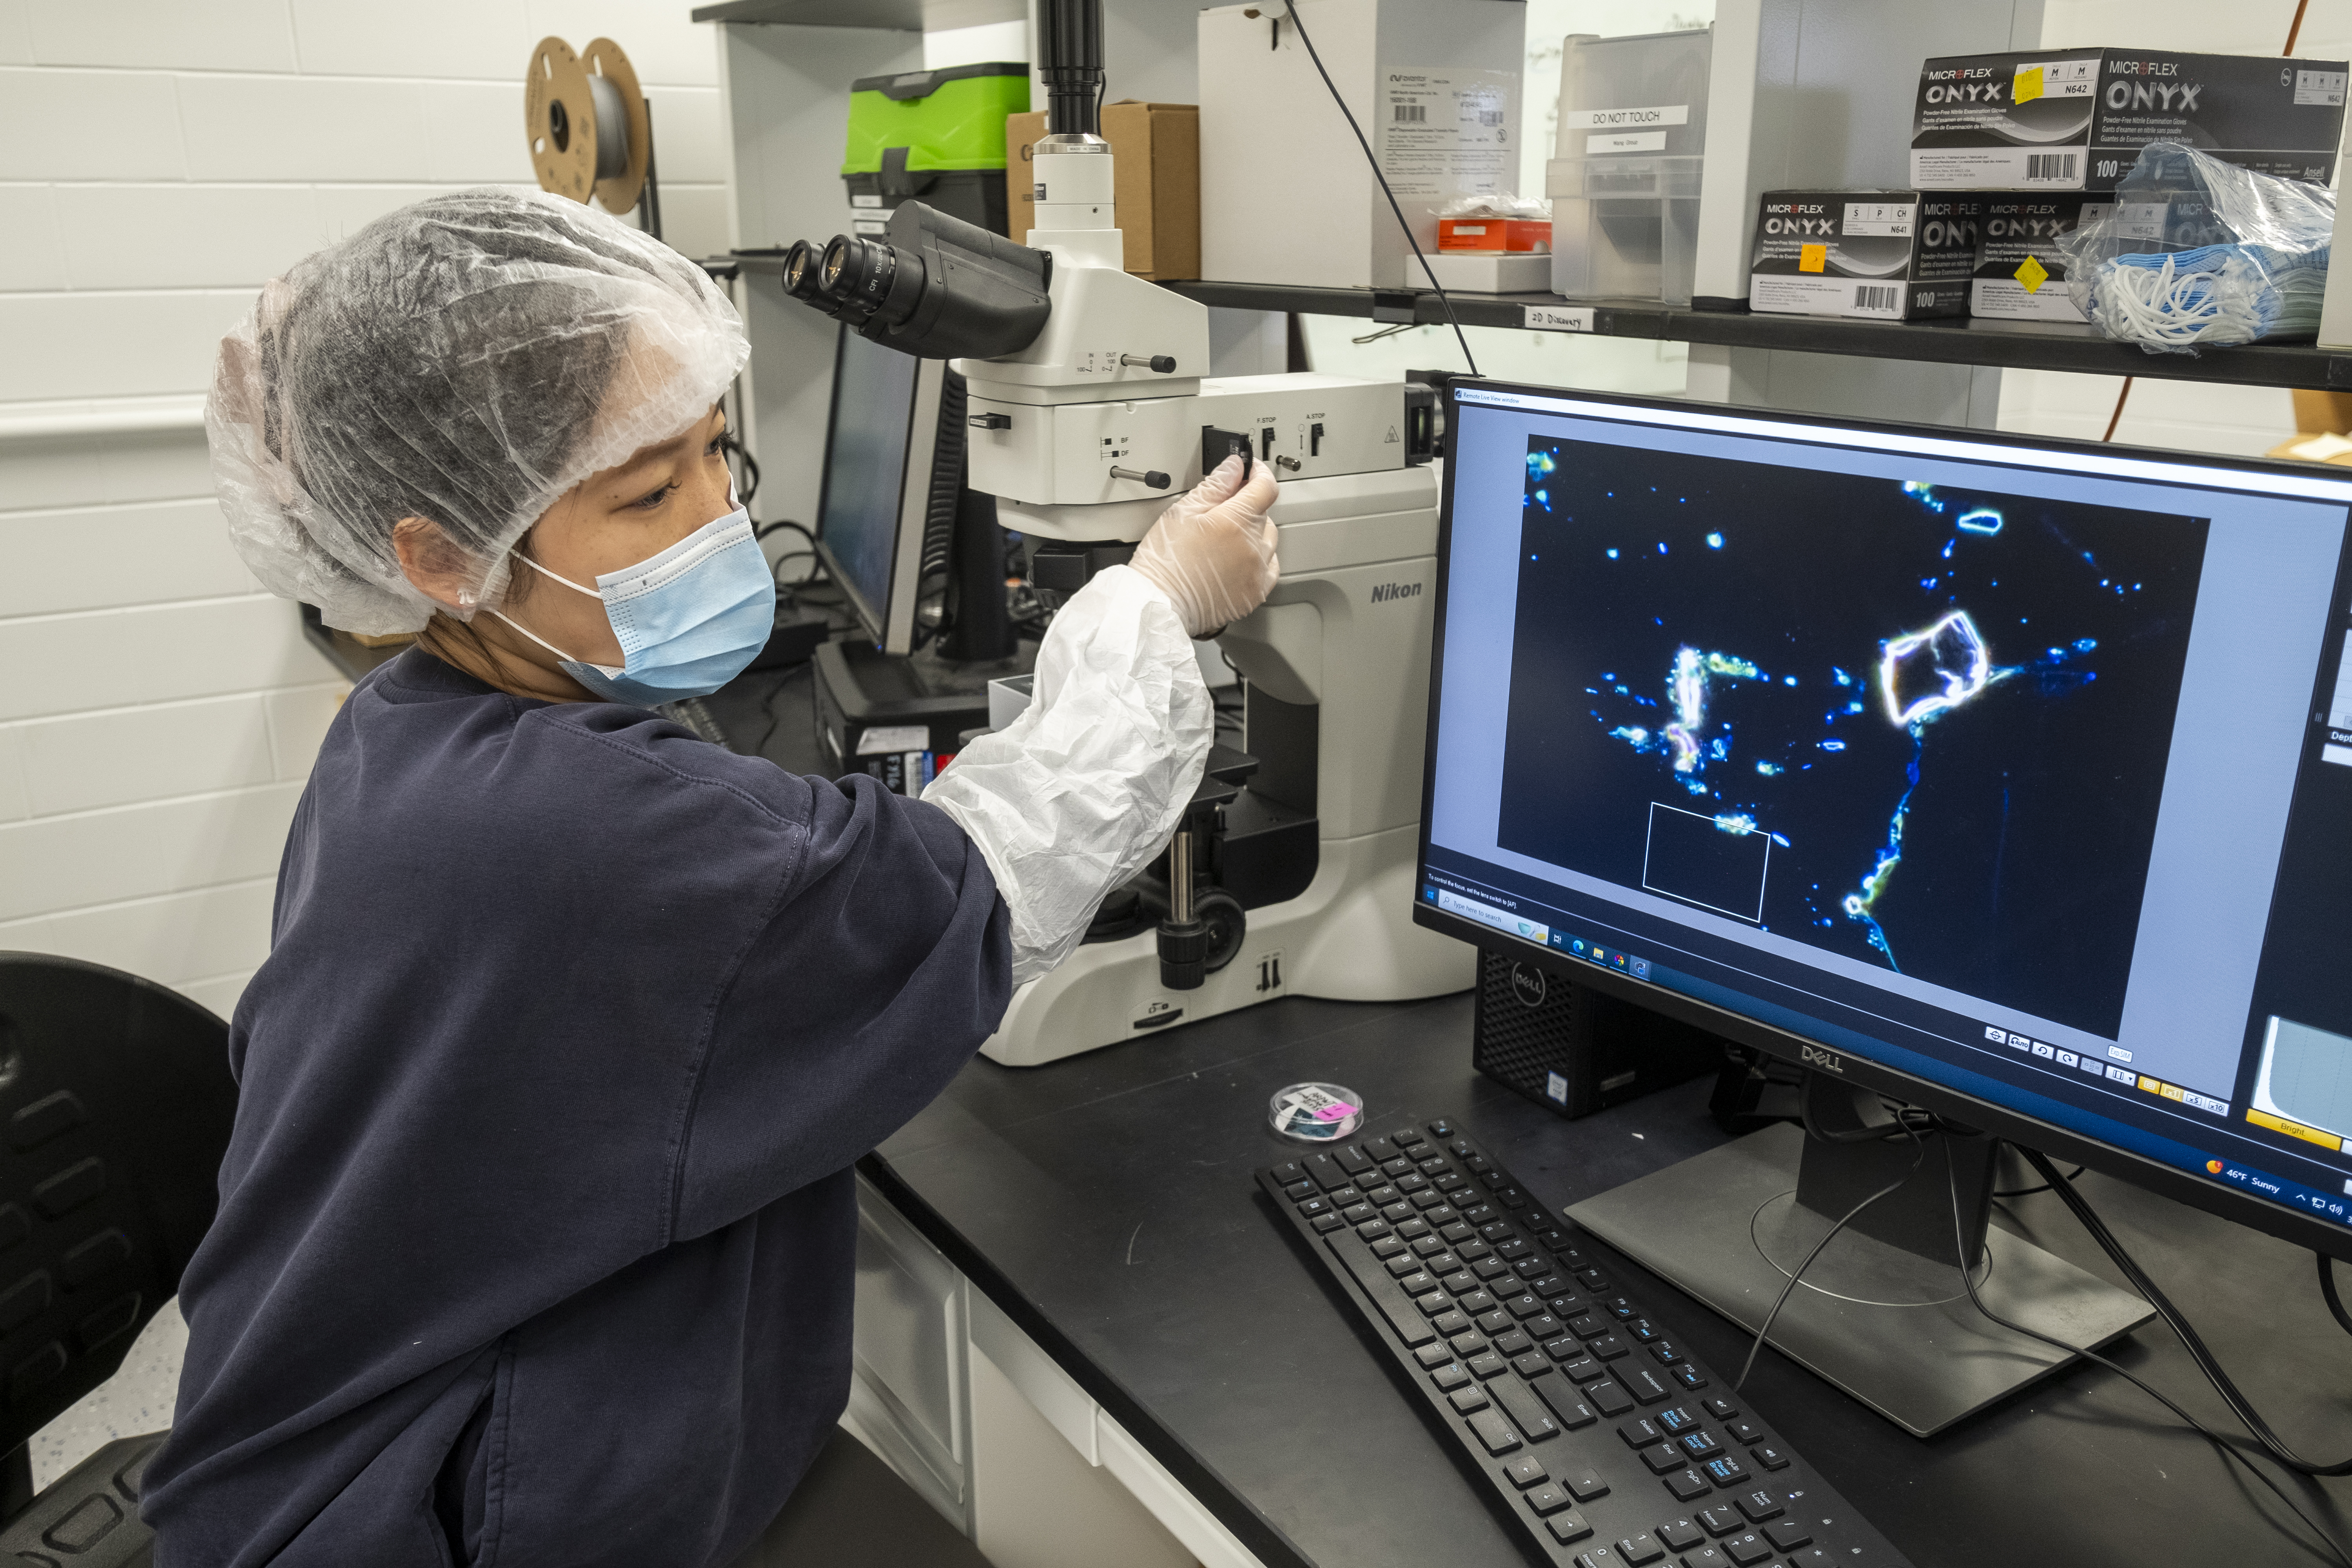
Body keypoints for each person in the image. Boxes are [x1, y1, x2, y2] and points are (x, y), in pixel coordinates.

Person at [139, 188, 1279, 1568]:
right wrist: (1157, 602)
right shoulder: (589, 834)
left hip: (325, 1442)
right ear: (440, 555)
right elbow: (978, 884)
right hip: (432, 1518)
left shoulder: (402, 732)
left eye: (715, 454)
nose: (712, 525)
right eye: (644, 493)